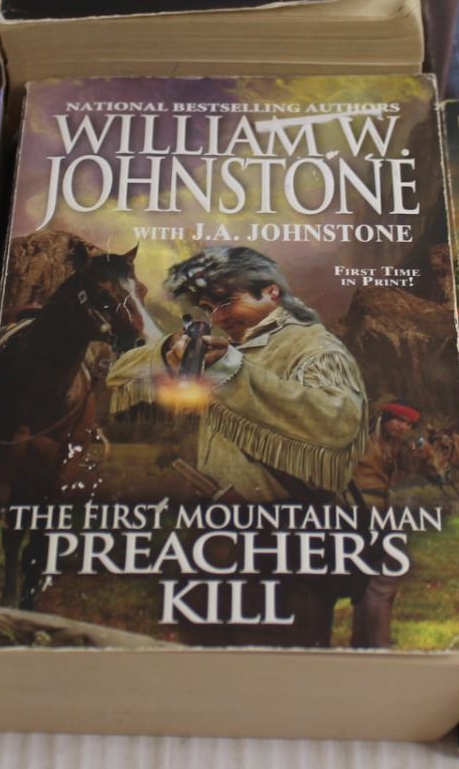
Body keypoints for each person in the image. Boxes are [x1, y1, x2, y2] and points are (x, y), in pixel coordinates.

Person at [105, 246, 366, 646]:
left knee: (283, 662)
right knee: (201, 655)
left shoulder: (314, 347)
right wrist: (171, 349)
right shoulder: (227, 347)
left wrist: (231, 371)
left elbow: (337, 422)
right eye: (210, 307)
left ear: (271, 292)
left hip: (284, 544)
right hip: (214, 541)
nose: (219, 316)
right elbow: (119, 376)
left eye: (227, 301)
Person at [348, 401, 421, 648]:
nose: (403, 427)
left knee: (369, 578)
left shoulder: (394, 447)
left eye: (408, 424)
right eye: (399, 420)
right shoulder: (361, 440)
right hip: (357, 511)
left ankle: (362, 641)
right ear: (385, 418)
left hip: (379, 512)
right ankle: (379, 644)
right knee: (383, 577)